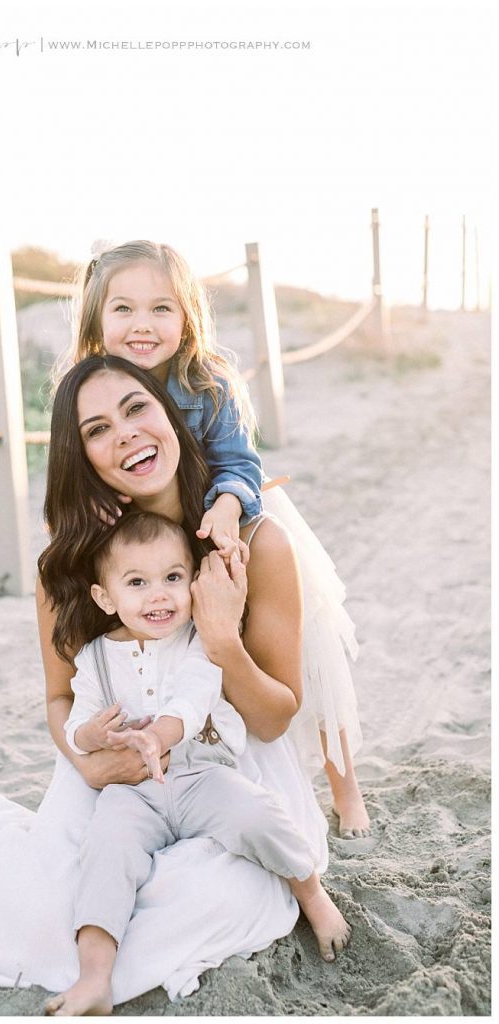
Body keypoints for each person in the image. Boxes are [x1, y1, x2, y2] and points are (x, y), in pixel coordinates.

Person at [0, 355, 336, 1007]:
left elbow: (273, 719)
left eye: (137, 409)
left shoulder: (254, 540)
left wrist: (219, 638)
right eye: (98, 428)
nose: (125, 433)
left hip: (225, 761)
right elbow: (59, 699)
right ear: (84, 457)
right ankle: (90, 974)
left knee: (217, 896)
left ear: (171, 418)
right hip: (109, 771)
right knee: (46, 917)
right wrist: (88, 761)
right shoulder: (70, 564)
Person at [60, 239, 369, 838]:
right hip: (157, 536)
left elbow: (240, 462)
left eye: (161, 309)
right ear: (97, 321)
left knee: (312, 653)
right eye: (122, 310)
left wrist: (228, 506)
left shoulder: (207, 384)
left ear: (187, 316)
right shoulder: (88, 395)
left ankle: (345, 785)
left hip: (227, 512)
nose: (142, 326)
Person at [45, 510, 349, 1016]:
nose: (158, 594)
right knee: (104, 851)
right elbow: (77, 719)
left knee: (257, 814)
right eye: (137, 582)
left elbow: (193, 697)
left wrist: (158, 736)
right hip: (132, 790)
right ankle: (94, 977)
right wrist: (91, 734)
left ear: (193, 584)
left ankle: (312, 894)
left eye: (172, 578)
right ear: (105, 597)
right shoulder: (96, 656)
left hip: (200, 774)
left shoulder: (196, 642)